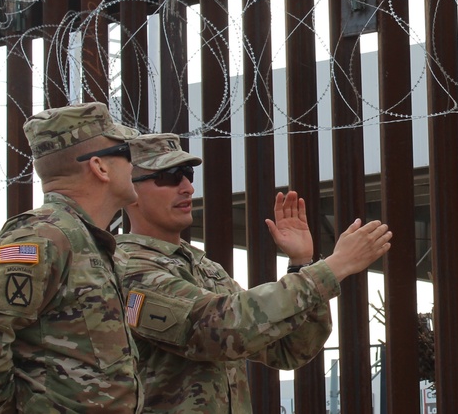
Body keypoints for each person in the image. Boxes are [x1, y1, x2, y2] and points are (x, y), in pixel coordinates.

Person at [118, 133, 391, 413]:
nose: (187, 187)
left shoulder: (205, 268)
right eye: (170, 176)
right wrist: (333, 268)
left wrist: (301, 263)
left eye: (187, 174)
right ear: (130, 190)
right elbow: (217, 330)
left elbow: (290, 349)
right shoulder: (129, 269)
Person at [0, 101, 144, 412]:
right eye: (127, 155)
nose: (135, 166)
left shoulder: (85, 241)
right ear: (99, 167)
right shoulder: (46, 236)